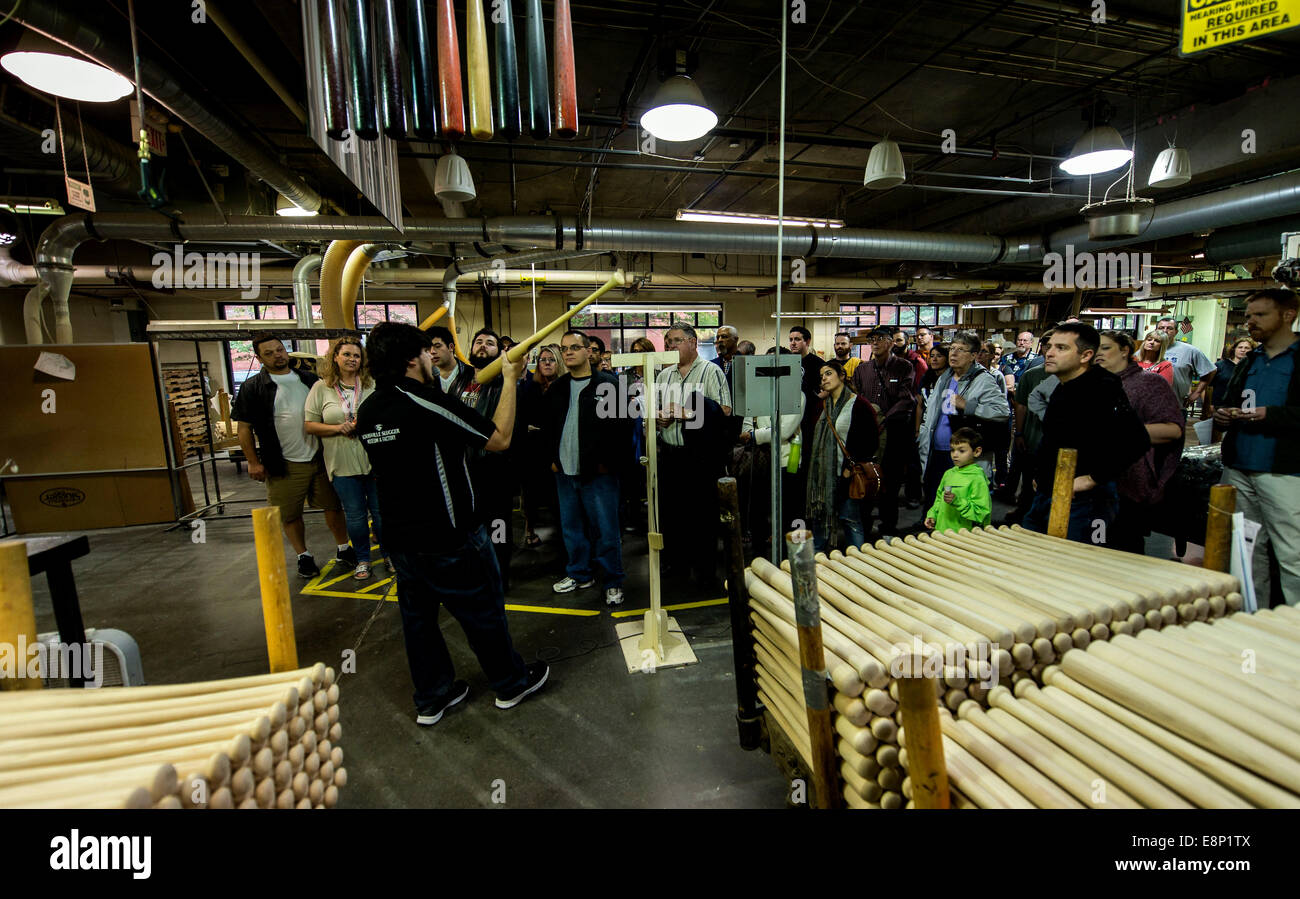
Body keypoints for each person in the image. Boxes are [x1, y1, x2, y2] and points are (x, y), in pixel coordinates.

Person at [356, 323, 547, 724]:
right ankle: (510, 684)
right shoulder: (425, 401)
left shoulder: (370, 408)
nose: (432, 358)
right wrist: (510, 378)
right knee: (482, 612)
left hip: (399, 541)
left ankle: (433, 697)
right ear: (412, 360)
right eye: (427, 353)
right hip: (448, 535)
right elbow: (498, 439)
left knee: (418, 622)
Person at [233, 335, 350, 579]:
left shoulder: (310, 380)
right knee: (289, 514)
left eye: (280, 349)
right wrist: (253, 462)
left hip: (320, 458)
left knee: (333, 506)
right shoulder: (253, 387)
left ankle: (343, 548)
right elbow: (244, 428)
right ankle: (303, 556)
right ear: (259, 358)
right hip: (283, 462)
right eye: (269, 353)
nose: (278, 355)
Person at [1021, 323, 1150, 543]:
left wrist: (1092, 479)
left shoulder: (1103, 388)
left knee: (1078, 564)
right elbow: (1056, 437)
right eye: (1050, 346)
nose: (1049, 352)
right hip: (1049, 494)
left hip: (1086, 502)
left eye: (1061, 348)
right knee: (1036, 558)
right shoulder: (1063, 387)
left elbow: (1137, 441)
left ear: (1086, 355)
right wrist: (1041, 475)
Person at [1213, 288, 1300, 604]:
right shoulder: (1250, 360)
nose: (1250, 323)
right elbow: (1230, 401)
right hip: (1239, 469)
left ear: (1287, 315)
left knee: (1293, 554)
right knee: (1244, 551)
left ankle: (1294, 630)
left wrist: (1270, 414)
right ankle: (1253, 620)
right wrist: (1224, 413)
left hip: (1285, 473)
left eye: (1260, 315)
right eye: (1248, 316)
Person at [544, 330, 629, 605]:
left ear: (587, 352)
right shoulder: (557, 388)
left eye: (574, 347)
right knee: (572, 528)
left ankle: (613, 580)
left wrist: (609, 464)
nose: (568, 352)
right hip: (565, 473)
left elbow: (623, 429)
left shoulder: (609, 385)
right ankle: (580, 574)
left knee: (606, 529)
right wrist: (554, 460)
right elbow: (549, 429)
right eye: (564, 348)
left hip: (599, 475)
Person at [656, 323, 732, 592]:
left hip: (699, 459)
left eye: (676, 340)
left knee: (702, 517)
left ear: (692, 343)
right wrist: (660, 418)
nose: (671, 346)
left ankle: (705, 572)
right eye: (668, 341)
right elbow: (657, 410)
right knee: (673, 515)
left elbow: (724, 410)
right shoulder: (664, 376)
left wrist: (687, 413)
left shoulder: (711, 371)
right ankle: (677, 566)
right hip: (670, 455)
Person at [1095, 331, 1185, 554]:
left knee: (1123, 549)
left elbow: (1173, 429)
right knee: (1093, 548)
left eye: (1106, 348)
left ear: (1125, 351)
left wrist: (1118, 431)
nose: (1099, 353)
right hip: (1093, 481)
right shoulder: (1094, 383)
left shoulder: (1149, 383)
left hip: (1128, 483)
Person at [304, 337, 384, 580]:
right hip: (342, 462)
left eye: (357, 355)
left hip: (375, 460)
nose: (352, 359)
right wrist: (338, 428)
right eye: (346, 354)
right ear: (335, 358)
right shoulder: (321, 388)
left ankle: (390, 554)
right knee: (356, 516)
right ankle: (362, 559)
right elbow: (309, 425)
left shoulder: (372, 384)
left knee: (381, 514)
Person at [917, 331, 1008, 516]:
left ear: (973, 355)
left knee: (958, 502)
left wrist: (968, 406)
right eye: (952, 349)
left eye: (960, 350)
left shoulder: (983, 380)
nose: (953, 354)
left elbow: (1002, 411)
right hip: (938, 450)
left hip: (963, 454)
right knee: (935, 497)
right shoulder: (945, 376)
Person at [456, 328, 518, 590]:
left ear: (500, 351)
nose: (482, 347)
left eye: (490, 343)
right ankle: (475, 573)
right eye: (478, 342)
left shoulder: (504, 381)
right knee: (470, 525)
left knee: (498, 525)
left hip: (494, 468)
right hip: (465, 467)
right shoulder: (462, 380)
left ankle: (500, 574)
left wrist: (510, 374)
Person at [808, 360, 879, 552]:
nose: (824, 378)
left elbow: (871, 440)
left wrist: (851, 465)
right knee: (820, 519)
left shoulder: (858, 404)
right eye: (822, 375)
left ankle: (858, 561)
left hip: (847, 474)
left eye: (829, 373)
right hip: (823, 476)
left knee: (850, 520)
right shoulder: (822, 405)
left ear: (842, 376)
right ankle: (817, 560)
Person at [852, 327, 915, 536]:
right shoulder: (862, 370)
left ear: (891, 342)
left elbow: (907, 399)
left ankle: (888, 529)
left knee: (891, 482)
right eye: (873, 339)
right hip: (868, 437)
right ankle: (864, 530)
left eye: (881, 339)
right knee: (866, 481)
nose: (876, 342)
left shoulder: (904, 367)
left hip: (895, 434)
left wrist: (884, 418)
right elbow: (857, 399)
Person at [739, 373, 804, 557]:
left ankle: (790, 556)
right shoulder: (758, 393)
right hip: (762, 460)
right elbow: (747, 424)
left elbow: (784, 431)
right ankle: (760, 555)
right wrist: (756, 433)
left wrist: (755, 435)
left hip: (788, 459)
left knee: (789, 510)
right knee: (759, 509)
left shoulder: (796, 395)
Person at [519, 344, 561, 547]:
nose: (546, 363)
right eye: (543, 359)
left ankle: (562, 538)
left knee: (557, 499)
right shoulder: (531, 387)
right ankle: (529, 530)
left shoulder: (564, 387)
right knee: (530, 495)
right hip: (531, 452)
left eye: (551, 359)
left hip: (555, 452)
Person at [924, 427, 992, 533]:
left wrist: (957, 501)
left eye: (961, 451)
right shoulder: (949, 474)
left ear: (977, 451)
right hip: (942, 532)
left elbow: (981, 512)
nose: (955, 455)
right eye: (952, 450)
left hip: (963, 537)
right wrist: (933, 515)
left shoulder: (977, 478)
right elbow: (939, 499)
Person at [788, 325, 823, 525]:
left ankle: (807, 515)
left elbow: (823, 392)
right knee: (793, 471)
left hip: (809, 425)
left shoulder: (818, 364)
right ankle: (793, 515)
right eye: (791, 339)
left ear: (807, 342)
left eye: (797, 339)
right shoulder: (785, 363)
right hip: (790, 425)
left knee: (807, 470)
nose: (793, 343)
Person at [1156, 316, 1216, 408]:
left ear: (1176, 332)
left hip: (1176, 406)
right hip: (1148, 405)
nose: (1165, 331)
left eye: (1169, 328)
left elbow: (1210, 371)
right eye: (1161, 328)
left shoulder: (1190, 351)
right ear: (1155, 330)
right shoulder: (1146, 349)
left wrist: (1197, 392)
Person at [1206, 336, 1256, 419]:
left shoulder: (1253, 367)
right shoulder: (1220, 365)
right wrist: (1208, 405)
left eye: (1247, 348)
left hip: (1243, 409)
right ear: (1234, 349)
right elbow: (1207, 387)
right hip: (1220, 407)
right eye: (1240, 347)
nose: (1243, 350)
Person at [428, 325, 472, 395]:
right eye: (428, 348)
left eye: (437, 346)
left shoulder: (470, 374)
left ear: (451, 347)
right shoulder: (426, 376)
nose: (432, 351)